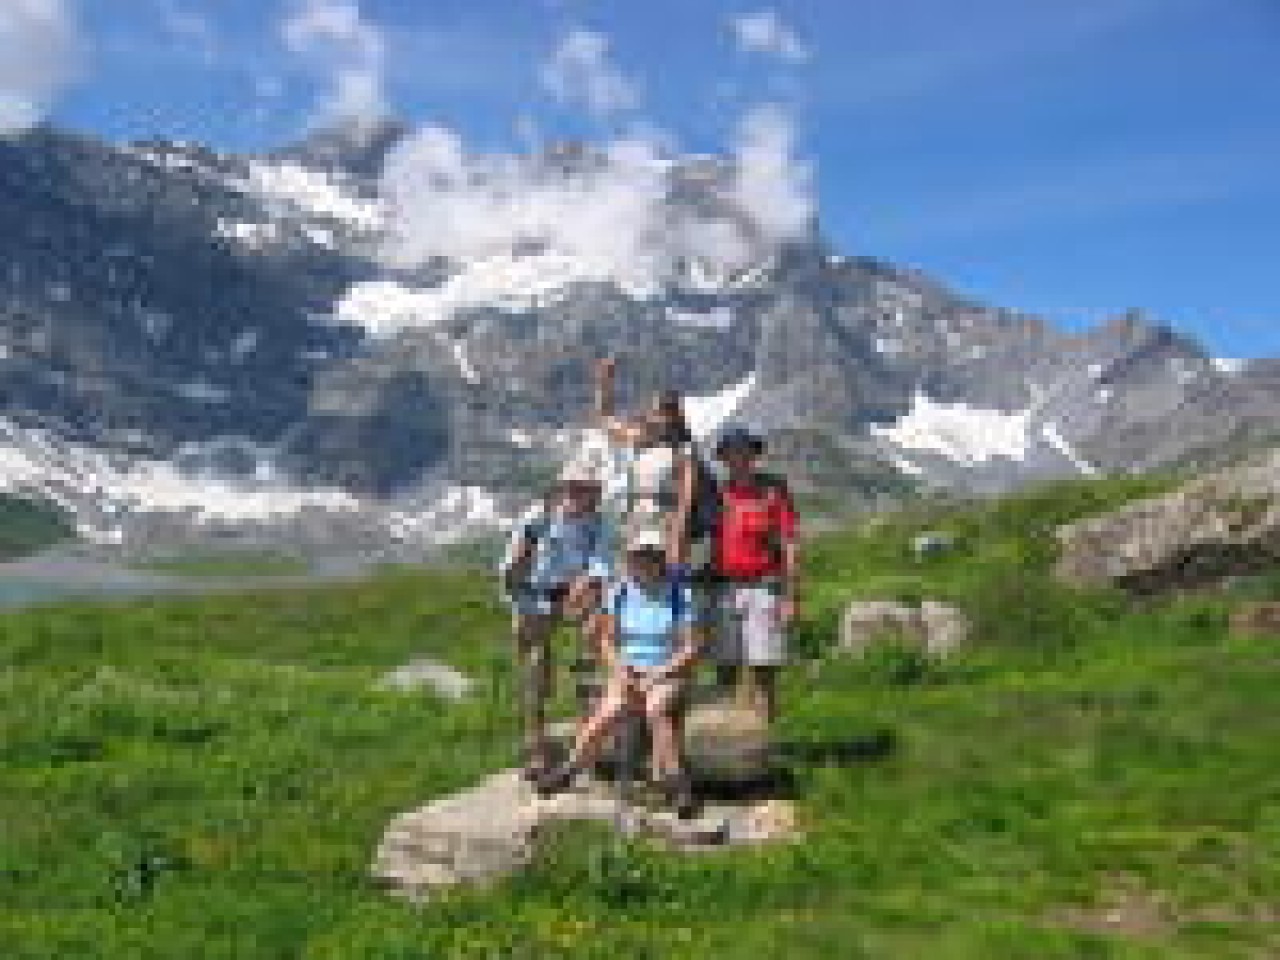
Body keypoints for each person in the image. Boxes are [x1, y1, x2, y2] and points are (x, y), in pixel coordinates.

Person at [536, 529, 703, 817]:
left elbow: (692, 647)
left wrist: (659, 673)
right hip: (629, 668)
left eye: (651, 556)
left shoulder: (679, 594)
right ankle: (569, 770)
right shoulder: (621, 592)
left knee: (655, 709)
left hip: (666, 669)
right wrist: (620, 670)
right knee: (608, 711)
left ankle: (678, 785)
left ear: (661, 560)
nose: (645, 562)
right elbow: (607, 640)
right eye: (639, 557)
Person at [499, 462, 613, 781]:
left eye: (585, 490)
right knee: (536, 661)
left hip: (572, 588)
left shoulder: (598, 523)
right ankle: (536, 744)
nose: (578, 495)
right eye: (572, 488)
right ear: (562, 490)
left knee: (595, 636)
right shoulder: (538, 518)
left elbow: (601, 565)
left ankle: (591, 728)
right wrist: (522, 607)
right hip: (534, 589)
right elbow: (512, 569)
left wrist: (587, 583)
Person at [709, 426, 798, 722]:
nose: (738, 458)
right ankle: (725, 742)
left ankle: (765, 743)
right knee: (725, 668)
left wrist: (789, 597)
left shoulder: (773, 493)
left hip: (764, 587)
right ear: (724, 458)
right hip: (724, 589)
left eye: (744, 452)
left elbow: (789, 545)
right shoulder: (717, 495)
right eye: (732, 453)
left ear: (753, 455)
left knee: (764, 671)